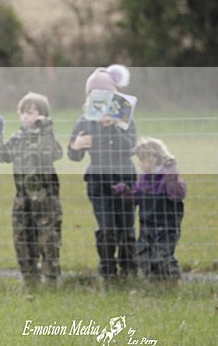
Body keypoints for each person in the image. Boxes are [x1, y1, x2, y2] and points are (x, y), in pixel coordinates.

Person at [68, 65, 137, 279]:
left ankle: (129, 269)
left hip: (125, 179)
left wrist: (113, 127)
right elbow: (73, 155)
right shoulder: (84, 121)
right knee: (106, 227)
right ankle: (107, 269)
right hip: (97, 181)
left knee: (125, 227)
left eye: (106, 94)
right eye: (96, 95)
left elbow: (130, 148)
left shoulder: (125, 121)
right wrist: (76, 145)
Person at [0, 92, 63, 284]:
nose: (25, 117)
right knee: (22, 239)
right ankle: (30, 279)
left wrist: (45, 127)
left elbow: (51, 153)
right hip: (23, 199)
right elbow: (0, 155)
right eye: (23, 113)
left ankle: (51, 278)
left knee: (48, 240)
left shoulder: (47, 136)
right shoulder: (17, 138)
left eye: (30, 113)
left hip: (46, 200)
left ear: (42, 115)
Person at [113, 137, 186, 281]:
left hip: (166, 228)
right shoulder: (144, 179)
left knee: (161, 257)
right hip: (147, 227)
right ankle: (154, 283)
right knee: (143, 257)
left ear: (153, 159)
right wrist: (124, 191)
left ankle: (172, 281)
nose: (139, 164)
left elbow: (177, 194)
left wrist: (171, 175)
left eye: (142, 160)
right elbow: (137, 198)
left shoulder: (168, 177)